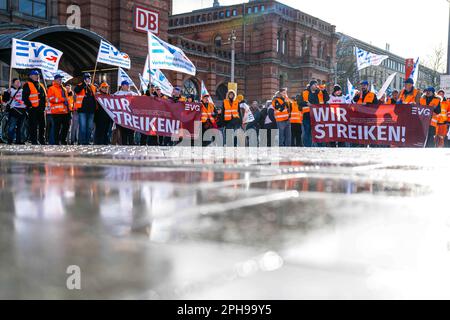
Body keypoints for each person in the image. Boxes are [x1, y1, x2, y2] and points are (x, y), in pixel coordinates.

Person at [300, 80, 329, 147]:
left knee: (319, 130)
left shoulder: (320, 92)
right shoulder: (304, 92)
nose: (316, 86)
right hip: (307, 115)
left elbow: (327, 98)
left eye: (317, 84)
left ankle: (320, 146)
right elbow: (299, 102)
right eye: (315, 85)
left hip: (318, 114)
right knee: (307, 131)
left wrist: (324, 91)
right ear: (311, 85)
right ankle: (307, 146)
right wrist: (306, 103)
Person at [22, 70, 47, 145]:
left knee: (42, 125)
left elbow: (44, 97)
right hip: (33, 109)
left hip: (41, 109)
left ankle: (42, 140)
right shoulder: (27, 84)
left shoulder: (41, 85)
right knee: (33, 125)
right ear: (30, 76)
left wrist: (43, 106)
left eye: (38, 75)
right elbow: (25, 97)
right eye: (35, 75)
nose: (37, 76)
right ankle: (34, 140)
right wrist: (30, 106)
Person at [47, 74, 71, 145]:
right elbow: (51, 99)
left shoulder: (64, 89)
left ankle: (63, 140)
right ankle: (56, 142)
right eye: (59, 79)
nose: (61, 81)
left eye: (61, 79)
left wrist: (69, 109)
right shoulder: (51, 88)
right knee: (56, 128)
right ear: (55, 80)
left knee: (66, 126)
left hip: (65, 111)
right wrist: (62, 99)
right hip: (56, 112)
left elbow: (67, 100)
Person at [114, 80, 139, 145]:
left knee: (131, 132)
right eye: (126, 85)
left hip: (130, 117)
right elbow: (112, 100)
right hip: (122, 117)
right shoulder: (117, 93)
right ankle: (124, 144)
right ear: (122, 86)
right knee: (123, 132)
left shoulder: (132, 93)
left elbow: (140, 98)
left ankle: (131, 144)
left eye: (128, 85)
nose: (128, 86)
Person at [74, 73, 97, 145]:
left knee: (90, 127)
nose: (89, 79)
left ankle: (87, 141)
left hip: (91, 111)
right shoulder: (79, 85)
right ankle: (82, 141)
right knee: (83, 127)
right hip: (82, 110)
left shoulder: (93, 87)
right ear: (84, 79)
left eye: (89, 78)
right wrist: (84, 84)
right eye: (87, 78)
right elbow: (76, 90)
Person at [3, 78, 26, 144]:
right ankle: (10, 140)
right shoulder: (9, 90)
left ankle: (18, 141)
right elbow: (5, 100)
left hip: (22, 110)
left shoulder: (23, 90)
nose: (18, 83)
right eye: (16, 82)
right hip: (14, 110)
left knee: (20, 127)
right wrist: (7, 93)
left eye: (19, 82)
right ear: (13, 83)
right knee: (12, 126)